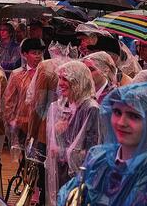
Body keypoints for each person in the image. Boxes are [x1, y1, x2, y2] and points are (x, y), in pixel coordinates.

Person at [57, 82, 147, 206]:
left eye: (134, 116)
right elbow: (71, 192)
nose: (121, 122)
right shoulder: (99, 157)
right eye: (117, 112)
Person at [45, 60, 101, 204]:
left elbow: (91, 151)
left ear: (78, 81)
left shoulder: (91, 108)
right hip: (64, 175)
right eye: (60, 78)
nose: (60, 83)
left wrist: (61, 150)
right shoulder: (66, 105)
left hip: (80, 180)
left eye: (65, 79)